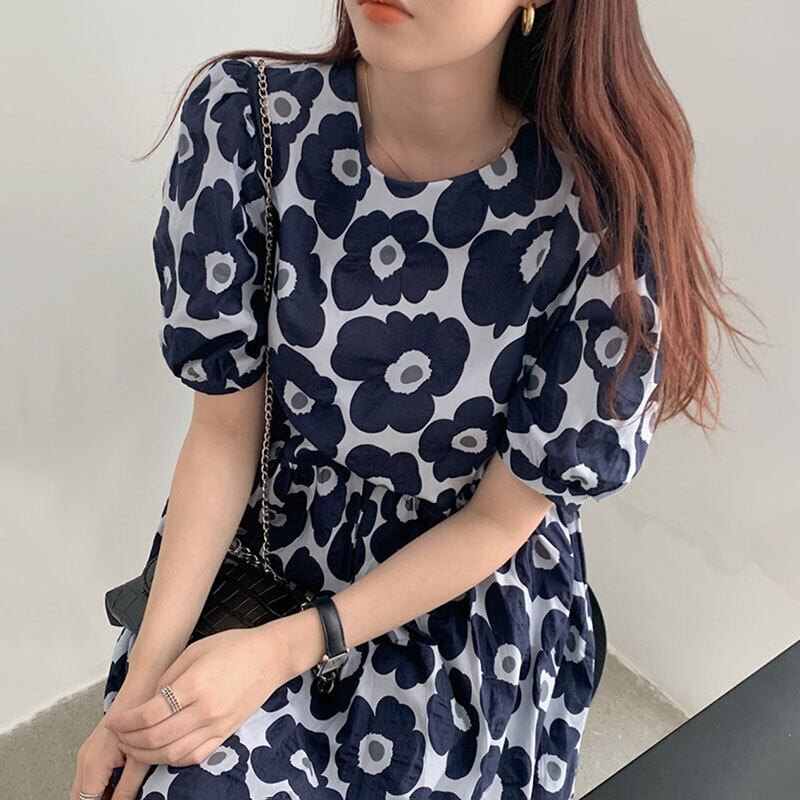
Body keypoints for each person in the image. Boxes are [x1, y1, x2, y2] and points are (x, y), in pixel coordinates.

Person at [71, 2, 759, 799]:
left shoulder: (601, 221)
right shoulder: (246, 124)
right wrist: (136, 701)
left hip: (458, 604)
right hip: (272, 546)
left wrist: (287, 649)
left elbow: (501, 518)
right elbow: (225, 434)